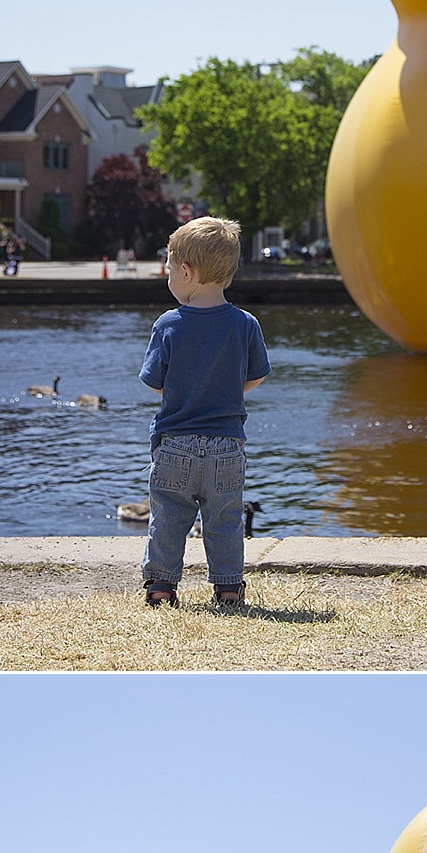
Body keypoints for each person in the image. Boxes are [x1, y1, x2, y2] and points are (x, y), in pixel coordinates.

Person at [137, 214, 269, 612]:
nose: (168, 277)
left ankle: (161, 587)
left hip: (175, 442)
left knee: (169, 516)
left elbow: (155, 383)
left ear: (187, 272)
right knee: (225, 518)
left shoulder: (168, 325)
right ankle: (228, 589)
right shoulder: (245, 324)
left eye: (169, 268)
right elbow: (256, 378)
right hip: (227, 444)